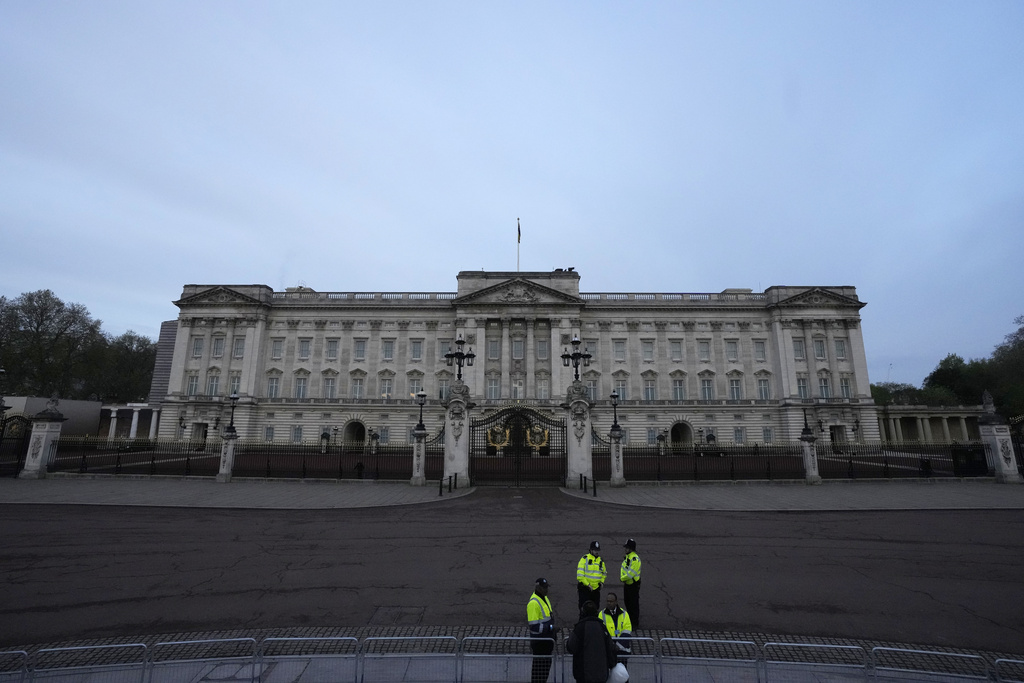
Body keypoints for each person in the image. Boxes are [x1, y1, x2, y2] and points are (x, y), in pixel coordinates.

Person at [566, 600, 617, 683]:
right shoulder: (602, 627)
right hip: (601, 674)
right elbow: (610, 648)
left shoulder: (579, 628)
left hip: (583, 674)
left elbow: (571, 647)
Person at [527, 577, 555, 683]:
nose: (546, 590)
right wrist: (551, 628)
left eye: (547, 587)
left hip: (546, 642)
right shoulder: (533, 603)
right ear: (537, 588)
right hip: (540, 643)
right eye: (544, 588)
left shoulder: (544, 598)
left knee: (544, 672)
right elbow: (534, 627)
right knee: (539, 673)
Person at [599, 592, 633, 666]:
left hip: (622, 652)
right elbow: (602, 632)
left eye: (611, 601)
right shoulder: (601, 614)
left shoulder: (624, 614)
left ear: (616, 602)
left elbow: (627, 631)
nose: (609, 603)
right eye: (607, 601)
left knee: (622, 675)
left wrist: (617, 646)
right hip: (608, 651)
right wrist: (611, 646)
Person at [576, 540, 607, 611]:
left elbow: (604, 573)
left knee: (595, 609)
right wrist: (588, 585)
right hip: (585, 590)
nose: (597, 552)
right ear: (591, 550)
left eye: (598, 550)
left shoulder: (600, 561)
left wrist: (602, 582)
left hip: (595, 590)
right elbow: (580, 576)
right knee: (584, 609)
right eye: (595, 550)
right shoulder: (584, 559)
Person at [620, 538, 642, 629]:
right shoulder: (628, 557)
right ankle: (630, 621)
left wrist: (622, 578)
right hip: (628, 584)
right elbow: (623, 568)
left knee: (633, 604)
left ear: (631, 549)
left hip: (633, 585)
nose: (625, 549)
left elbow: (631, 573)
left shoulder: (635, 559)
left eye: (627, 548)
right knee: (627, 602)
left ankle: (634, 623)